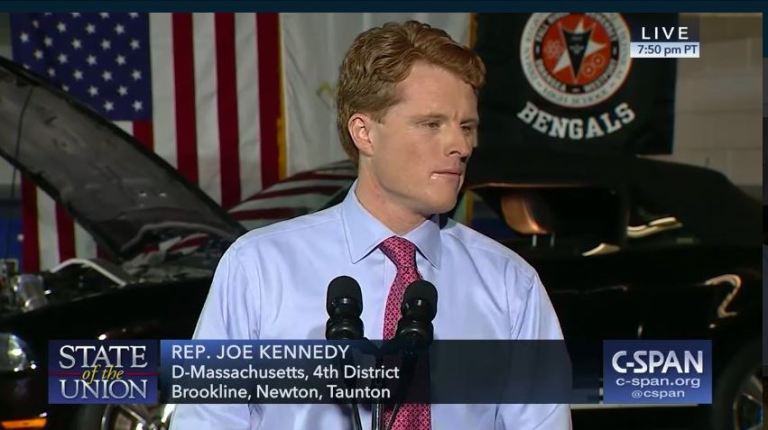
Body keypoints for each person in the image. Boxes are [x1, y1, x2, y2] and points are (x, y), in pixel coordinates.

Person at [171, 20, 570, 429]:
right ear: (364, 133)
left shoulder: (510, 285)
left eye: (466, 126)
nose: (461, 145)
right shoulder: (259, 268)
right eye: (432, 124)